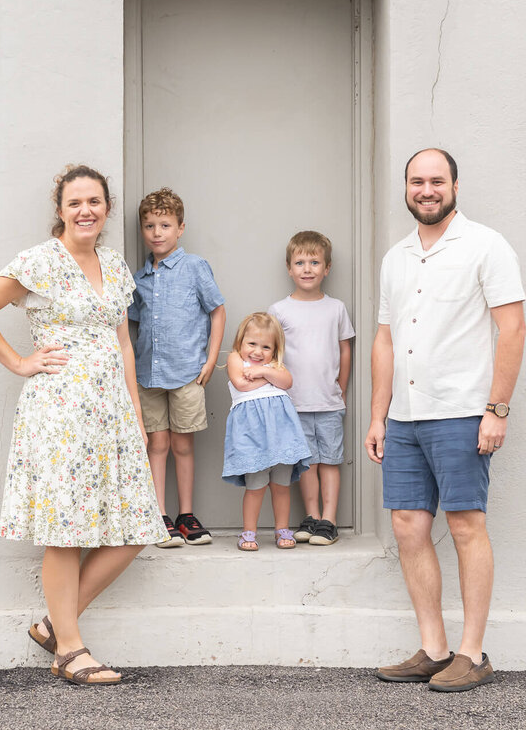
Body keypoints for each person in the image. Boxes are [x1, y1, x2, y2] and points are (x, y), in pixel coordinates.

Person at [0, 164, 165, 686]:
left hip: (111, 412)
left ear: (106, 207)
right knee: (66, 529)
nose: (85, 210)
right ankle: (70, 651)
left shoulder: (115, 266)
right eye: (75, 202)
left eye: (94, 201)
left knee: (136, 525)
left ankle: (55, 624)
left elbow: (122, 344)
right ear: (60, 209)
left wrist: (136, 415)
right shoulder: (40, 262)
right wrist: (18, 362)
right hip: (60, 411)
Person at [365, 148, 526, 693]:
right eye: (417, 181)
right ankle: (434, 649)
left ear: (455, 185)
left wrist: (496, 408)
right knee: (408, 528)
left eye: (437, 180)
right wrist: (378, 415)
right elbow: (385, 339)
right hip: (405, 418)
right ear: (406, 188)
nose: (426, 190)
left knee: (464, 525)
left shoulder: (486, 246)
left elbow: (513, 328)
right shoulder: (397, 257)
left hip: (461, 411)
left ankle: (472, 652)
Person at [128, 188, 226, 548]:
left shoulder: (195, 267)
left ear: (180, 228)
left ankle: (187, 514)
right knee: (158, 444)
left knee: (184, 446)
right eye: (150, 226)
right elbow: (131, 325)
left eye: (165, 225)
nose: (157, 233)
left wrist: (211, 359)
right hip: (149, 375)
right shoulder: (139, 280)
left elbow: (217, 310)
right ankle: (159, 515)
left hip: (187, 373)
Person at [268, 231, 355, 546]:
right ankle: (312, 516)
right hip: (294, 404)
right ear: (289, 268)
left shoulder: (336, 309)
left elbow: (345, 349)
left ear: (327, 268)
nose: (307, 268)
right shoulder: (279, 310)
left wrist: (341, 387)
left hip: (329, 402)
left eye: (314, 262)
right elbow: (271, 353)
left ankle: (329, 520)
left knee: (330, 461)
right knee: (306, 464)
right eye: (300, 262)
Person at [221, 313, 311, 552]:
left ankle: (282, 529)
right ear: (240, 342)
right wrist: (271, 378)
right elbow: (241, 384)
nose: (258, 352)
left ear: (275, 349)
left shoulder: (273, 367)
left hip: (281, 437)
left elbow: (288, 381)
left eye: (266, 347)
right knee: (256, 486)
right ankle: (248, 532)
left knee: (281, 486)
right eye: (252, 344)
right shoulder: (234, 359)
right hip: (253, 438)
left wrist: (264, 373)